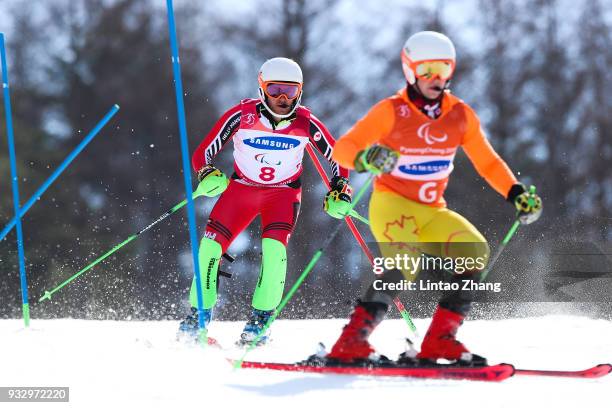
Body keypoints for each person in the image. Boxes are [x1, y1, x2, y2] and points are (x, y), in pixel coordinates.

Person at [326, 31, 542, 364]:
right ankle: (350, 343)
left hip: (431, 210)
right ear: (410, 70)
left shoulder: (460, 115)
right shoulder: (392, 111)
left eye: (442, 68)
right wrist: (366, 159)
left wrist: (515, 194)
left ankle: (440, 341)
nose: (435, 78)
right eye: (426, 69)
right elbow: (343, 148)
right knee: (403, 267)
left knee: (475, 251)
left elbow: (487, 161)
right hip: (392, 203)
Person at [178, 57, 351, 345]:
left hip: (282, 195)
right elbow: (202, 153)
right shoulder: (241, 115)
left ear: (300, 91)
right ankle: (198, 317)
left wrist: (340, 188)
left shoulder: (306, 122)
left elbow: (338, 157)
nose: (283, 98)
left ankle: (260, 323)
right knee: (209, 249)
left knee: (274, 251)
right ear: (262, 89)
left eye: (291, 91)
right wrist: (206, 172)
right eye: (275, 90)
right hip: (241, 191)